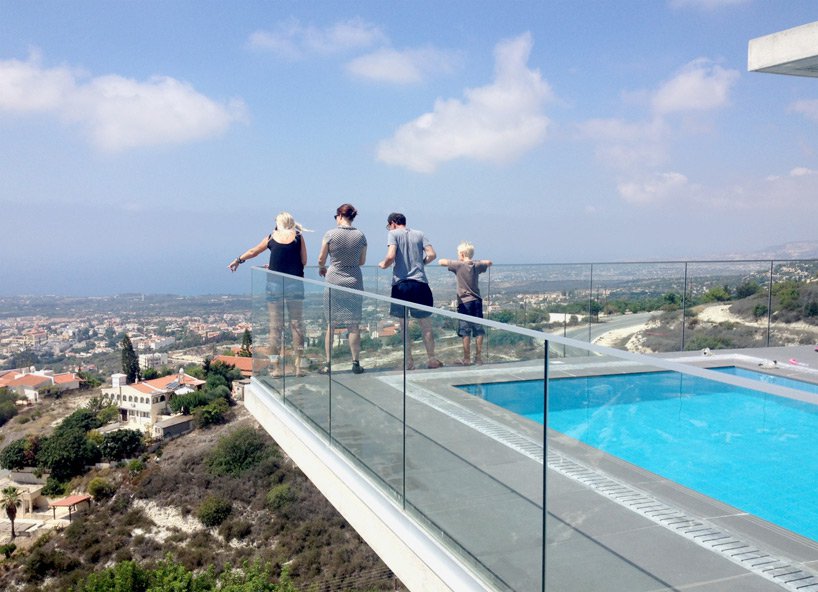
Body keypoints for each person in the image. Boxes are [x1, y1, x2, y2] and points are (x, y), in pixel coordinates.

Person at [228, 212, 307, 377]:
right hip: (295, 284)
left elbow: (254, 251)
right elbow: (304, 261)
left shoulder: (272, 237)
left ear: (278, 223)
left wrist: (238, 260)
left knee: (275, 328)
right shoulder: (298, 237)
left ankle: (276, 367)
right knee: (297, 325)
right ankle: (299, 366)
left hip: (274, 285)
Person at [378, 212, 442, 370]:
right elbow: (432, 254)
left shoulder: (393, 234)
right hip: (420, 284)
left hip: (401, 285)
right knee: (426, 326)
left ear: (393, 223)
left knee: (404, 326)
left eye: (388, 225)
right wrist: (421, 263)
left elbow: (391, 255)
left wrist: (383, 265)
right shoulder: (420, 234)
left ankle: (409, 362)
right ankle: (432, 359)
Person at [317, 203, 367, 374]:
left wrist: (322, 267)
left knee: (331, 324)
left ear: (339, 215)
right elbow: (362, 261)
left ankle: (328, 364)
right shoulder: (361, 236)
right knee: (354, 324)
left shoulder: (330, 234)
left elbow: (321, 258)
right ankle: (355, 363)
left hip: (334, 279)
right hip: (354, 280)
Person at [439, 241, 492, 365]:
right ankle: (478, 358)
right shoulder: (476, 266)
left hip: (464, 302)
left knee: (465, 330)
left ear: (462, 254)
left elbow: (440, 261)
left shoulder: (458, 265)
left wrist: (459, 261)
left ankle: (466, 358)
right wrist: (475, 261)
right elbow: (489, 262)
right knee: (478, 329)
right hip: (477, 300)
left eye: (458, 253)